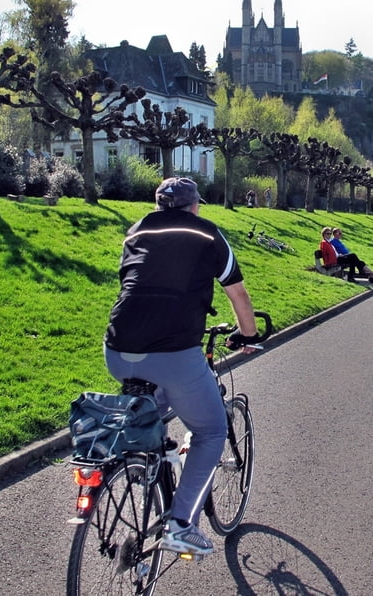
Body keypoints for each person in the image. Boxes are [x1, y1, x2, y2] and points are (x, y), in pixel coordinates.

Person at [102, 176, 262, 557]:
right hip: (175, 351)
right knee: (211, 429)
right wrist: (248, 335)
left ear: (159, 206)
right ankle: (180, 524)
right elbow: (237, 292)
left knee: (151, 411)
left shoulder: (135, 232)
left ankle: (142, 468)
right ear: (194, 206)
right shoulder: (208, 235)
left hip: (118, 349)